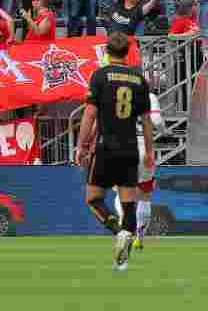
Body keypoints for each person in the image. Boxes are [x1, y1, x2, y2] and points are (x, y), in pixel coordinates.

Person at [75, 32, 155, 271]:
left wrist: (81, 145)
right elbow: (147, 120)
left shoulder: (99, 76)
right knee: (129, 205)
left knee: (93, 199)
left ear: (107, 52)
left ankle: (117, 231)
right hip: (131, 149)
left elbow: (89, 114)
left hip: (105, 147)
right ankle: (123, 261)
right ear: (128, 52)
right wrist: (150, 151)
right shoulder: (139, 79)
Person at [113, 87, 164, 249]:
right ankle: (139, 237)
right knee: (144, 194)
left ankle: (124, 230)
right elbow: (156, 121)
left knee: (122, 192)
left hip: (122, 149)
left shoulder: (117, 96)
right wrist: (163, 131)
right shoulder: (149, 97)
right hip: (144, 148)